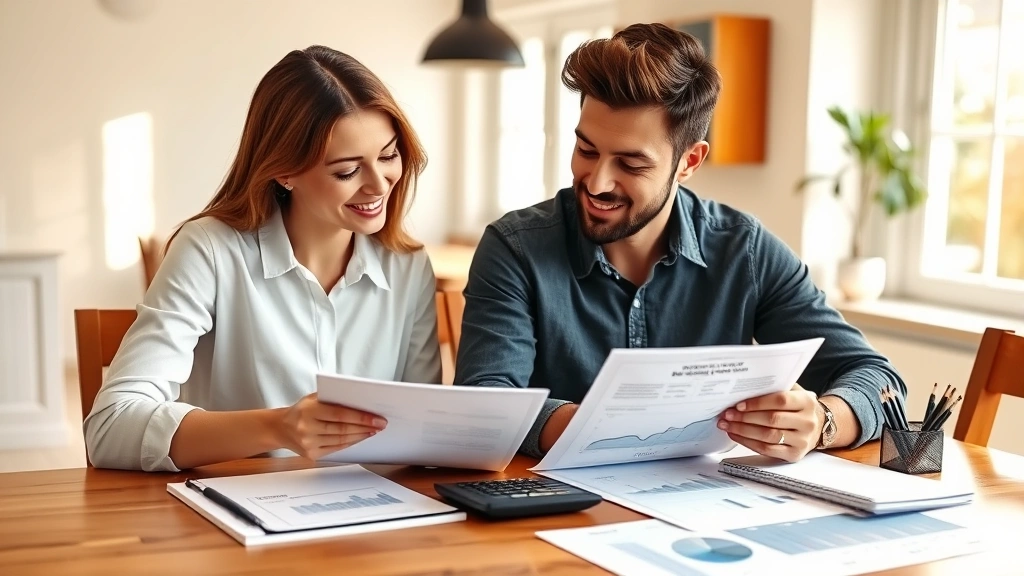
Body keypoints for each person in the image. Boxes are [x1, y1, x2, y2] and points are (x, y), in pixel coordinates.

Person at [454, 23, 907, 463]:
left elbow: (878, 380)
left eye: (630, 164)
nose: (596, 182)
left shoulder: (743, 250)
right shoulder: (514, 248)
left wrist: (823, 421)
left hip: (704, 511)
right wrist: (605, 428)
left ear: (689, 161)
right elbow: (485, 406)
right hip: (553, 512)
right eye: (586, 150)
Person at [84, 46, 442, 471]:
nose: (378, 185)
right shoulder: (209, 250)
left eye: (388, 156)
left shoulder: (408, 265)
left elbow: (427, 434)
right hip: (231, 518)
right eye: (347, 171)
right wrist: (280, 428)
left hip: (373, 519)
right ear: (284, 171)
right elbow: (109, 427)